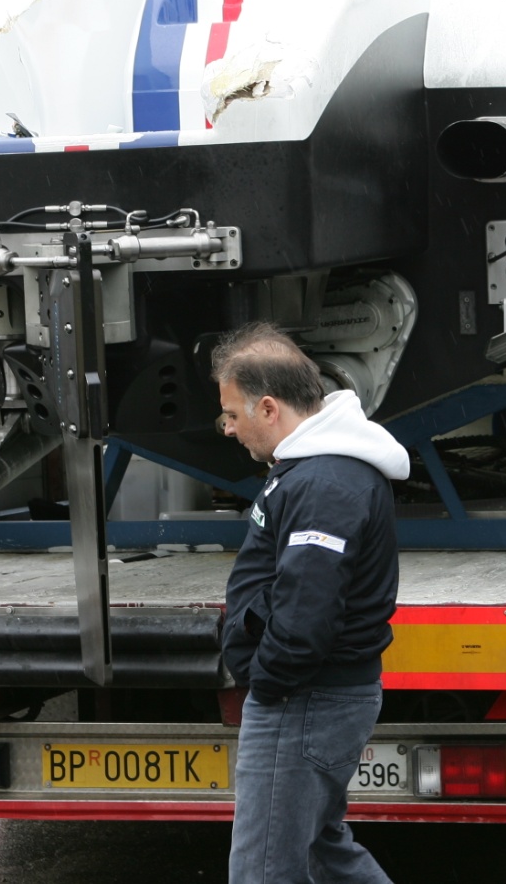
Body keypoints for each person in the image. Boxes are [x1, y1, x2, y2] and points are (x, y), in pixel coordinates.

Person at [212, 322, 407, 884]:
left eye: (232, 414)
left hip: (302, 699)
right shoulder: (314, 469)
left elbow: (306, 613)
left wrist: (267, 684)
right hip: (312, 696)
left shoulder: (324, 483)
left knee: (263, 871)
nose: (229, 428)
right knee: (323, 851)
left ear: (268, 408)